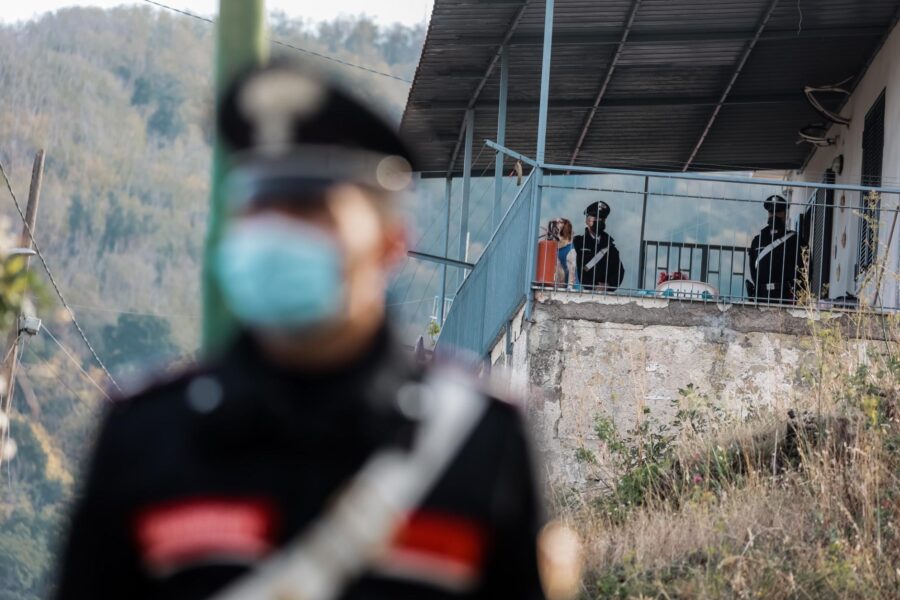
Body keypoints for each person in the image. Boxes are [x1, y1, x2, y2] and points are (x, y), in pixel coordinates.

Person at [53, 62, 548, 600]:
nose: (276, 232)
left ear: (391, 241)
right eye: (259, 207)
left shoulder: (478, 439)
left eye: (311, 209)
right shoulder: (145, 436)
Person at [746, 194, 802, 303]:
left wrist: (797, 295)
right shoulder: (757, 241)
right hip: (762, 296)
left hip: (785, 296)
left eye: (778, 212)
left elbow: (805, 270)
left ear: (785, 214)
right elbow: (753, 270)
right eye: (772, 212)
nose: (774, 215)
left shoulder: (795, 240)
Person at [573, 201, 625, 291]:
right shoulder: (578, 243)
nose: (599, 221)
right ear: (587, 220)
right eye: (596, 218)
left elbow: (619, 271)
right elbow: (574, 268)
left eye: (602, 218)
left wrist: (608, 286)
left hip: (604, 297)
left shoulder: (611, 247)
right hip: (582, 293)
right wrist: (593, 286)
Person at [555, 218, 579, 291]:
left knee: (571, 266)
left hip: (573, 288)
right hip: (560, 287)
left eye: (560, 222)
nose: (556, 223)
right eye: (555, 222)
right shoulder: (556, 247)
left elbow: (572, 268)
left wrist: (570, 286)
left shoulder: (570, 248)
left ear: (565, 226)